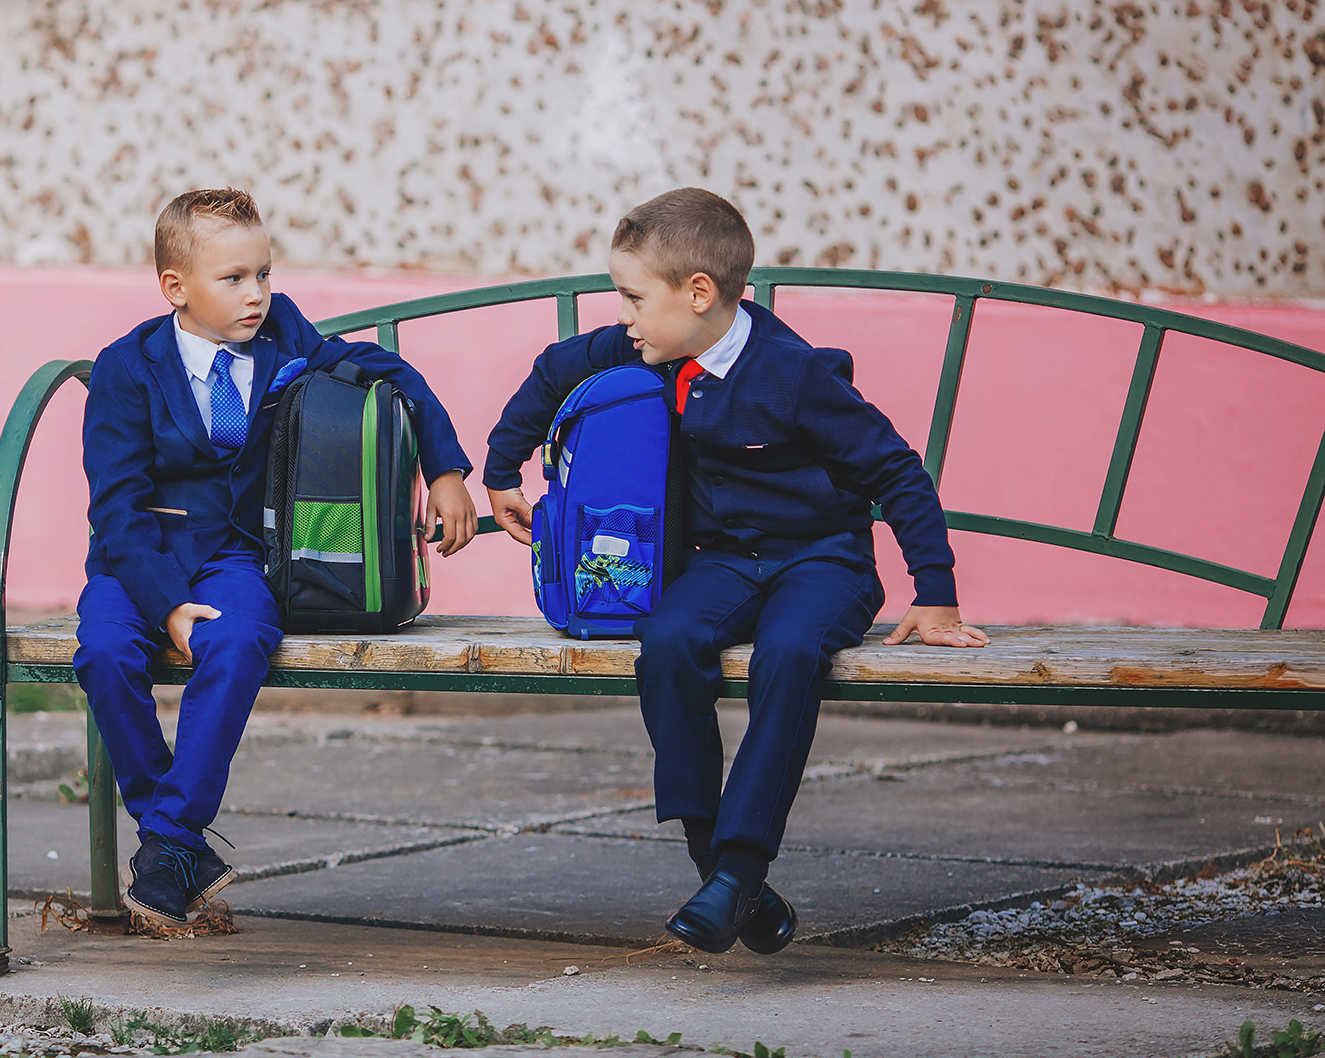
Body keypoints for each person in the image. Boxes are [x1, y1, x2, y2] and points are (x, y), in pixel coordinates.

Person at [483, 188, 988, 955]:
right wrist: (500, 471)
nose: (623, 317)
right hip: (724, 564)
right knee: (670, 640)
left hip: (823, 561)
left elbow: (896, 470)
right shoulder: (653, 344)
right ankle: (717, 869)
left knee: (790, 654)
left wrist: (937, 594)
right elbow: (554, 370)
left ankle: (741, 863)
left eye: (632, 297)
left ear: (698, 293)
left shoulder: (793, 375)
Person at [76, 187, 479, 929]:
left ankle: (167, 841)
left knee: (238, 640)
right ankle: (175, 838)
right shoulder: (126, 368)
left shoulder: (283, 333)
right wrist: (164, 602)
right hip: (138, 560)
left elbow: (383, 369)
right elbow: (117, 508)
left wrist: (447, 469)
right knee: (102, 651)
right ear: (176, 287)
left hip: (239, 557)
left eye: (263, 273)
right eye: (233, 279)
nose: (257, 293)